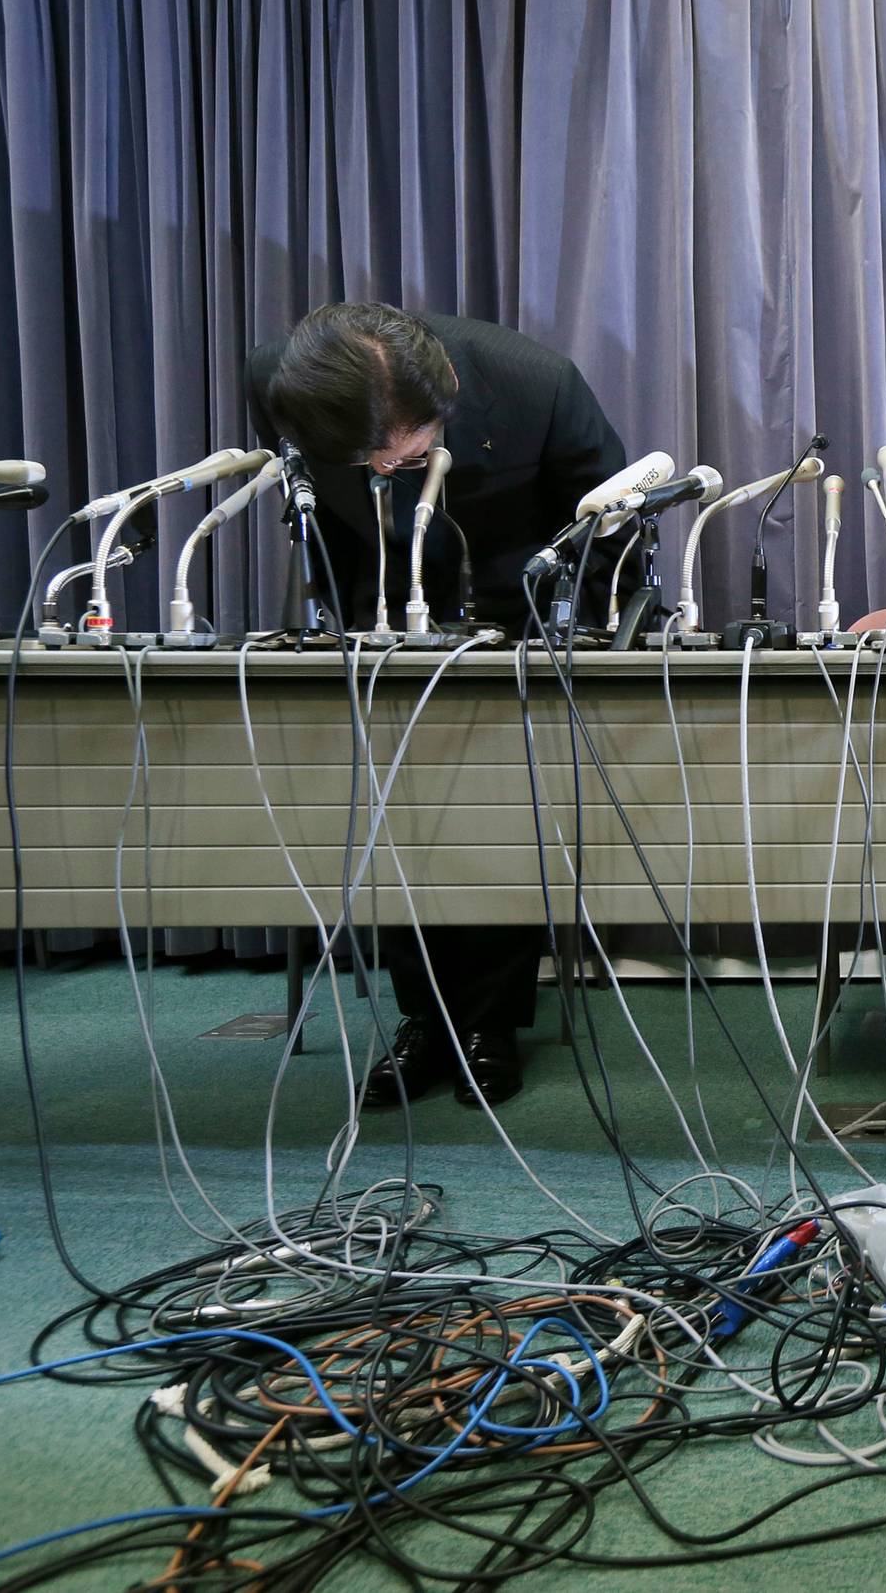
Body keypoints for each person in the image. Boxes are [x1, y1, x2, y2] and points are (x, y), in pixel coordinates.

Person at [245, 303, 628, 1104]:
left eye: (401, 452)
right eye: (367, 460)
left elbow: (613, 521)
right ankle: (423, 1017)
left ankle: (487, 1026)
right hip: (380, 621)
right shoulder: (282, 378)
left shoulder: (536, 385)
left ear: (444, 394)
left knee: (493, 825)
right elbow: (317, 502)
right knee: (399, 822)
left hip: (513, 618)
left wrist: (568, 639)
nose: (384, 472)